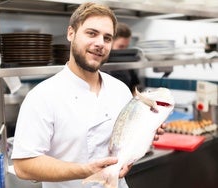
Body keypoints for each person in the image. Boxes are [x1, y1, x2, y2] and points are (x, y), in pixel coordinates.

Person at [11, 2, 164, 188]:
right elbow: (23, 166)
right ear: (71, 33)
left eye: (107, 38)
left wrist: (145, 133)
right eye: (91, 33)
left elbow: (124, 148)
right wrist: (86, 170)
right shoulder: (42, 96)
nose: (100, 43)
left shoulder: (120, 89)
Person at [110, 22, 141, 96]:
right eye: (121, 46)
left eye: (126, 47)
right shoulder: (102, 65)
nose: (124, 50)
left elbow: (134, 87)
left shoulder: (127, 62)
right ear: (110, 42)